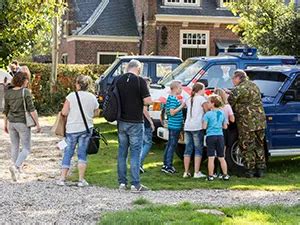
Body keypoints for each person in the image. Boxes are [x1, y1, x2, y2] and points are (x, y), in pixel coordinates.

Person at [116, 60, 152, 192]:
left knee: (122, 153)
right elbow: (147, 100)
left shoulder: (118, 80)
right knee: (135, 153)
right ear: (138, 68)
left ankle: (121, 183)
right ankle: (135, 184)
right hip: (136, 121)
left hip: (121, 121)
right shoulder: (140, 81)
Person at [57, 75, 99, 187]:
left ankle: (62, 179)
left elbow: (64, 112)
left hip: (71, 128)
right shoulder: (92, 97)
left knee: (68, 152)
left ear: (79, 84)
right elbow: (96, 113)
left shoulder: (71, 96)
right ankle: (81, 180)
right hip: (86, 128)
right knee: (82, 154)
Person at [228, 70, 267, 178]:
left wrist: (226, 94)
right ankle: (261, 170)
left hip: (247, 122)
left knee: (247, 146)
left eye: (233, 78)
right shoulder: (254, 86)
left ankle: (250, 170)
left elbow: (229, 102)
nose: (232, 81)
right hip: (260, 121)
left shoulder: (238, 89)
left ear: (238, 78)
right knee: (259, 145)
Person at [3, 70, 41, 182]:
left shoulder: (8, 93)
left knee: (15, 146)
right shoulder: (25, 92)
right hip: (22, 123)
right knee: (26, 148)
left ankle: (16, 172)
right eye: (27, 79)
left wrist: (5, 124)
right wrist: (37, 124)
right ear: (23, 81)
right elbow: (32, 110)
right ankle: (16, 167)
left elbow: (5, 110)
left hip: (12, 123)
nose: (28, 81)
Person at [182, 82, 208, 178]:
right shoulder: (202, 99)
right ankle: (196, 172)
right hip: (197, 126)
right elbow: (207, 111)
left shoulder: (189, 99)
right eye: (204, 89)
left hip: (188, 126)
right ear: (201, 89)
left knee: (188, 149)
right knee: (198, 149)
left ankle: (186, 171)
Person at [202, 95, 230, 181]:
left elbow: (204, 126)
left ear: (213, 103)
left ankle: (210, 176)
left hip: (210, 136)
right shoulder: (222, 113)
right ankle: (225, 175)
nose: (207, 103)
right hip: (220, 136)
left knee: (211, 157)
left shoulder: (208, 114)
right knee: (221, 157)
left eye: (209, 102)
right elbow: (225, 127)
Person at [161, 80, 185, 174]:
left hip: (174, 125)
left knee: (170, 144)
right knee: (172, 145)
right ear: (175, 89)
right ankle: (168, 165)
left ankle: (165, 164)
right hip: (174, 125)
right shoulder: (173, 99)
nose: (181, 90)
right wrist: (181, 106)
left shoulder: (171, 98)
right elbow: (172, 112)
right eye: (180, 88)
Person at [140, 77, 155, 173]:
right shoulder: (145, 95)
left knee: (141, 143)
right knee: (148, 143)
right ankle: (139, 163)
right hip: (145, 121)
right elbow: (144, 110)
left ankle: (138, 164)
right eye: (149, 84)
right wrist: (151, 122)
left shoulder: (138, 93)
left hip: (139, 121)